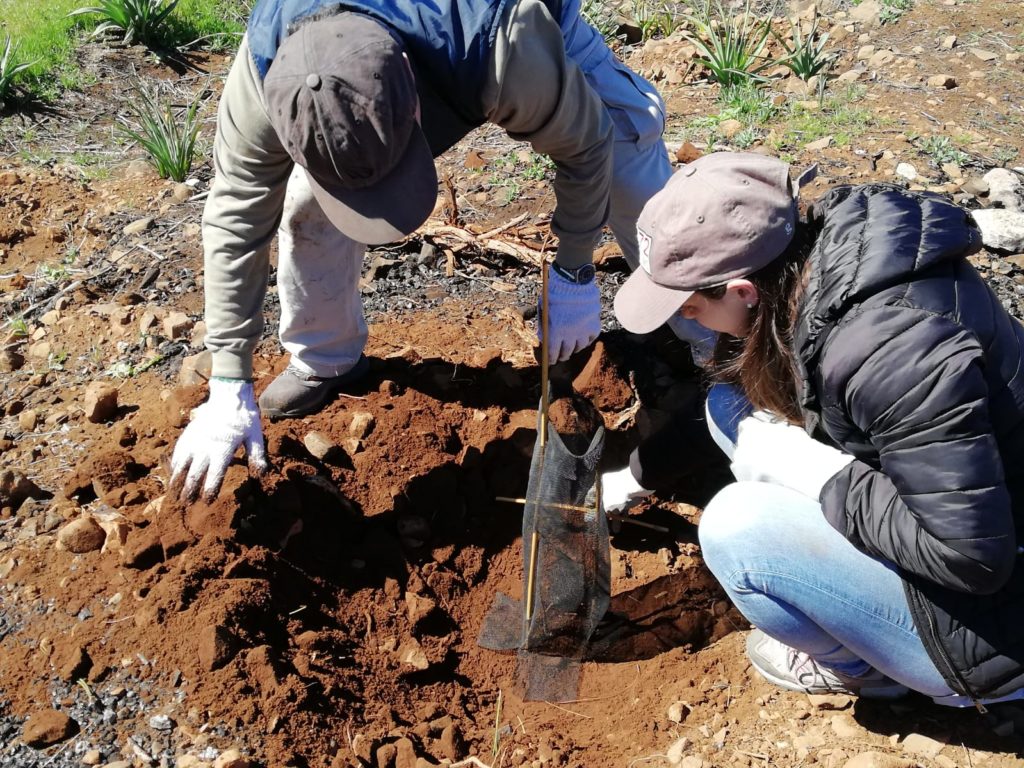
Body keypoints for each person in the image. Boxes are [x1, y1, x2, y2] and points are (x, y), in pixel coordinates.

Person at [169, 0, 713, 502]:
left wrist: (574, 268)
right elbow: (235, 214)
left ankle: (716, 343)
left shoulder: (506, 44)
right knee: (306, 205)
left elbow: (585, 142)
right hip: (408, 61)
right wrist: (228, 378)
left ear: (410, 84)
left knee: (626, 154)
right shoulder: (268, 70)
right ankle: (325, 355)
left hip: (509, 31)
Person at [605, 151, 1024, 708]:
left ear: (741, 291)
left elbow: (972, 558)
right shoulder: (816, 268)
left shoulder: (889, 355)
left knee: (737, 529)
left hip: (999, 624)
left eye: (688, 308)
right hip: (969, 506)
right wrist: (636, 476)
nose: (686, 321)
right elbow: (744, 392)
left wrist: (820, 476)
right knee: (731, 404)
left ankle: (868, 674)